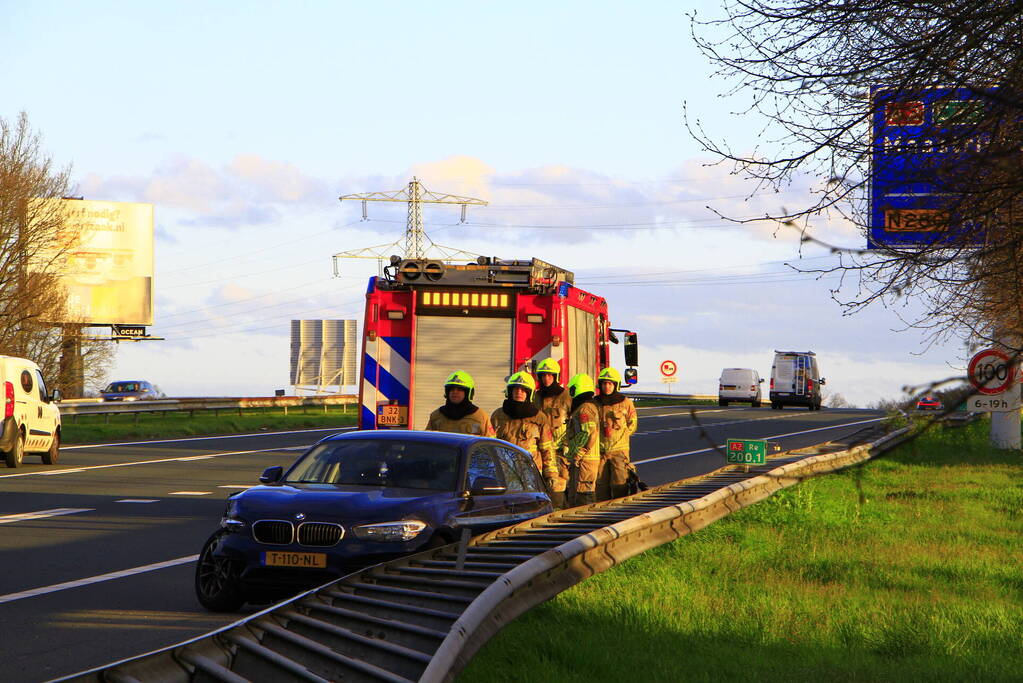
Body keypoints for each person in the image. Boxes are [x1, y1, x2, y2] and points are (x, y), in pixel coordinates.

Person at [490, 372, 559, 492]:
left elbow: (547, 448)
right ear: (509, 391)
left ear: (529, 393)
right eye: (516, 389)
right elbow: (489, 446)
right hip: (503, 473)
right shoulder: (498, 416)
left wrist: (551, 475)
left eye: (523, 390)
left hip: (530, 473)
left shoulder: (539, 418)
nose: (519, 392)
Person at [533, 358, 573, 508]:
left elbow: (573, 423)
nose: (546, 378)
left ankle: (560, 516)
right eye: (543, 375)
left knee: (559, 486)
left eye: (550, 375)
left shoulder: (566, 397)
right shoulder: (536, 397)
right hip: (540, 451)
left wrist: (568, 445)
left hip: (560, 452)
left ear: (556, 377)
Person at [596, 367, 638, 501]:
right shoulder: (595, 403)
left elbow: (633, 424)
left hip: (619, 452)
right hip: (600, 452)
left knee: (620, 484)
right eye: (604, 384)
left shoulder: (625, 403)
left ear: (616, 385)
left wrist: (621, 437)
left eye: (610, 384)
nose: (607, 387)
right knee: (601, 487)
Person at [563, 373, 601, 507]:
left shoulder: (585, 408)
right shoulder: (582, 407)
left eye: (572, 389)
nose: (570, 393)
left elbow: (590, 432)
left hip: (585, 460)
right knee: (575, 496)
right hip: (580, 459)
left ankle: (588, 523)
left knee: (584, 496)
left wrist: (580, 453)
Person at [424, 370, 495, 436]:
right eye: (452, 389)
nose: (455, 392)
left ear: (468, 393)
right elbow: (426, 442)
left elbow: (491, 444)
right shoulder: (436, 416)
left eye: (459, 389)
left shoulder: (480, 417)